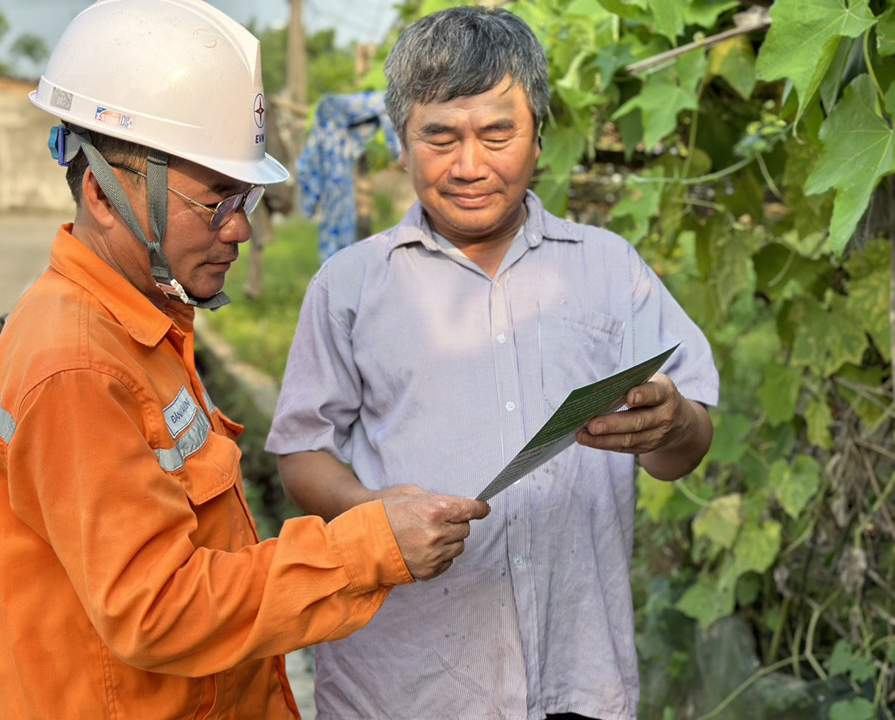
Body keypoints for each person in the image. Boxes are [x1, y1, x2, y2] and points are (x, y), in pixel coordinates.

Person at [0, 1, 489, 718]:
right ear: (103, 191)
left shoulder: (141, 328)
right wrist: (365, 547)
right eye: (214, 201)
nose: (240, 227)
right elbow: (159, 610)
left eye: (243, 197)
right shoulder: (81, 369)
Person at [266, 6, 718, 720]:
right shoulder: (351, 285)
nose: (469, 166)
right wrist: (372, 516)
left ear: (538, 133)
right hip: (408, 683)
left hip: (577, 671)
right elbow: (300, 453)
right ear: (402, 144)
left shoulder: (608, 268)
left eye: (497, 134)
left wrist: (674, 423)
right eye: (439, 138)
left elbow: (684, 449)